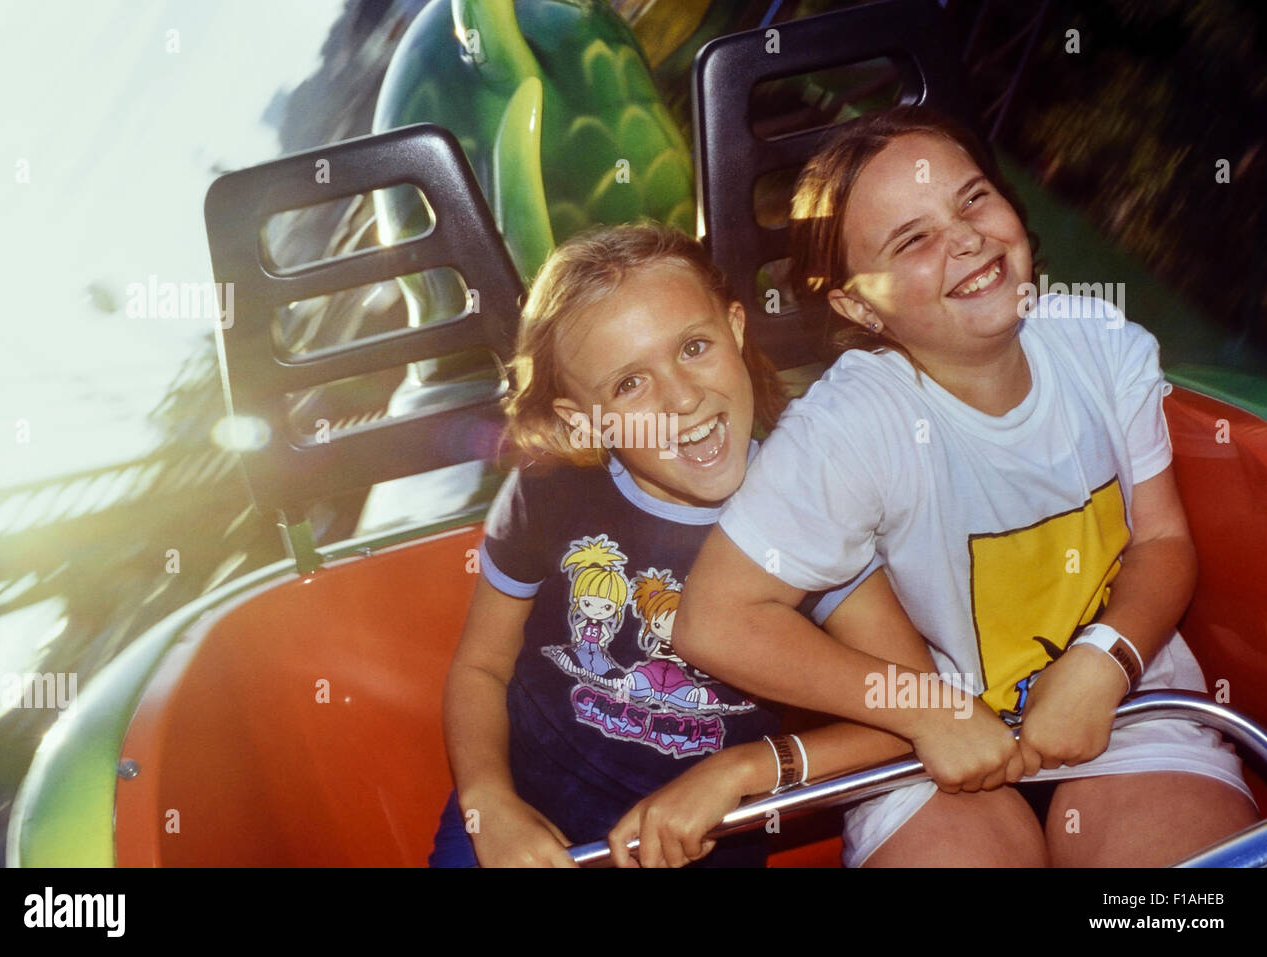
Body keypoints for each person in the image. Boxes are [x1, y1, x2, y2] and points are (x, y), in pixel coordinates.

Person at [673, 105, 1259, 867]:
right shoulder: (851, 424)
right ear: (857, 305)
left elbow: (1162, 539)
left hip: (1132, 706)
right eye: (912, 239)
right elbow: (714, 620)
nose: (967, 238)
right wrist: (930, 707)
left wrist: (1104, 659)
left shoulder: (1103, 345)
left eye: (974, 197)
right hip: (920, 754)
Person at [432, 221, 1018, 868]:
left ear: (736, 328)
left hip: (699, 845)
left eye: (694, 346)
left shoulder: (806, 503)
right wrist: (490, 806)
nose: (682, 398)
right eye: (630, 383)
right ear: (582, 418)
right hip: (521, 824)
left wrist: (742, 770)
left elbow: (914, 703)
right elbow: (480, 668)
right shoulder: (547, 490)